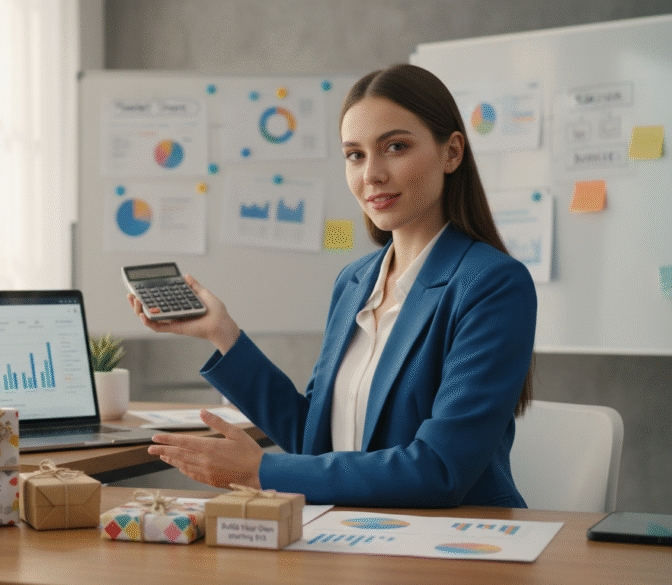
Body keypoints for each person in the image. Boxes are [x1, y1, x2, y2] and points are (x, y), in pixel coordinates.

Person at [128, 64, 536, 508]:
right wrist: (221, 333)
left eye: (395, 147)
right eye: (355, 155)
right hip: (355, 530)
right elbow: (316, 439)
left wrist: (260, 472)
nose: (371, 174)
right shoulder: (355, 281)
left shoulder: (492, 284)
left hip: (455, 539)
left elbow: (440, 470)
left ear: (451, 153)